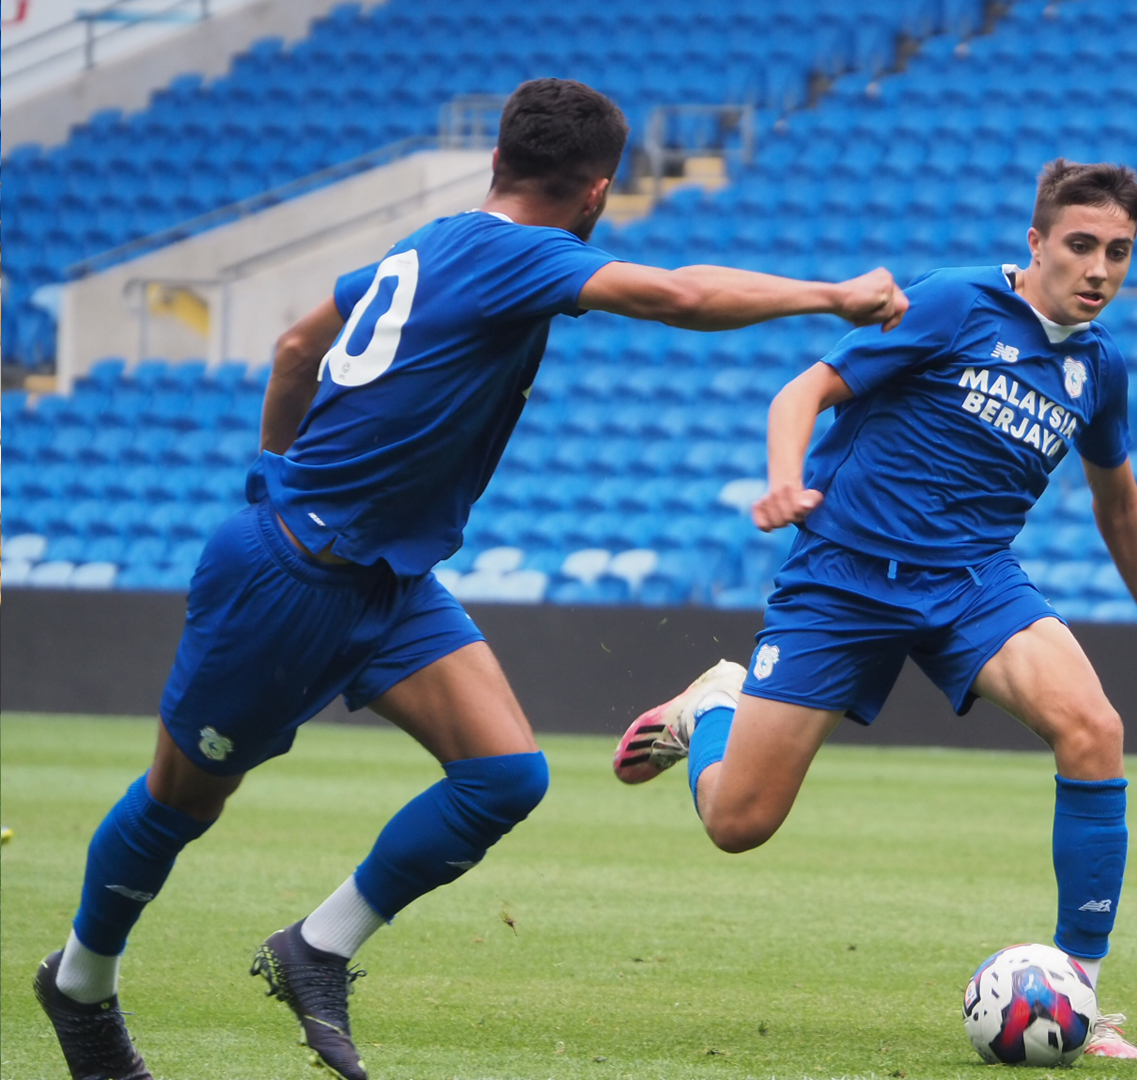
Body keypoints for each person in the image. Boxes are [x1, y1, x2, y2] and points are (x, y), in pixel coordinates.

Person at [31, 78, 907, 1080]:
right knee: (181, 801)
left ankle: (314, 949)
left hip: (386, 582)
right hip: (290, 583)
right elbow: (678, 296)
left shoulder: (431, 243)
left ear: (497, 161)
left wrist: (273, 474)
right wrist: (835, 296)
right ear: (597, 194)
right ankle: (82, 985)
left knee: (503, 774)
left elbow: (293, 347)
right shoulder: (516, 253)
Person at [613, 159, 1137, 1060]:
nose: (1099, 270)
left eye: (1120, 252)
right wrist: (786, 479)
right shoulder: (954, 304)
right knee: (738, 824)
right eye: (1081, 246)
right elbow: (805, 390)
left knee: (1094, 728)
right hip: (845, 576)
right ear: (1036, 243)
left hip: (972, 582)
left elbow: (1120, 503)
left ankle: (1080, 994)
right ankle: (715, 706)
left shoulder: (1100, 367)